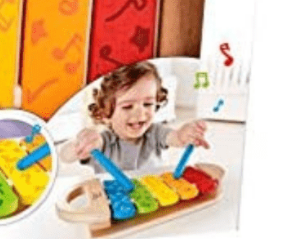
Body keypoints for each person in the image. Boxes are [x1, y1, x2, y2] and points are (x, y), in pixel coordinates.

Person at [60, 61, 208, 172]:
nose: (140, 113)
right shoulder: (103, 141)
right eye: (128, 106)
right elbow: (65, 156)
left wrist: (184, 134)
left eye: (148, 104)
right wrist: (80, 144)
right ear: (106, 114)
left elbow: (176, 138)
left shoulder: (155, 132)